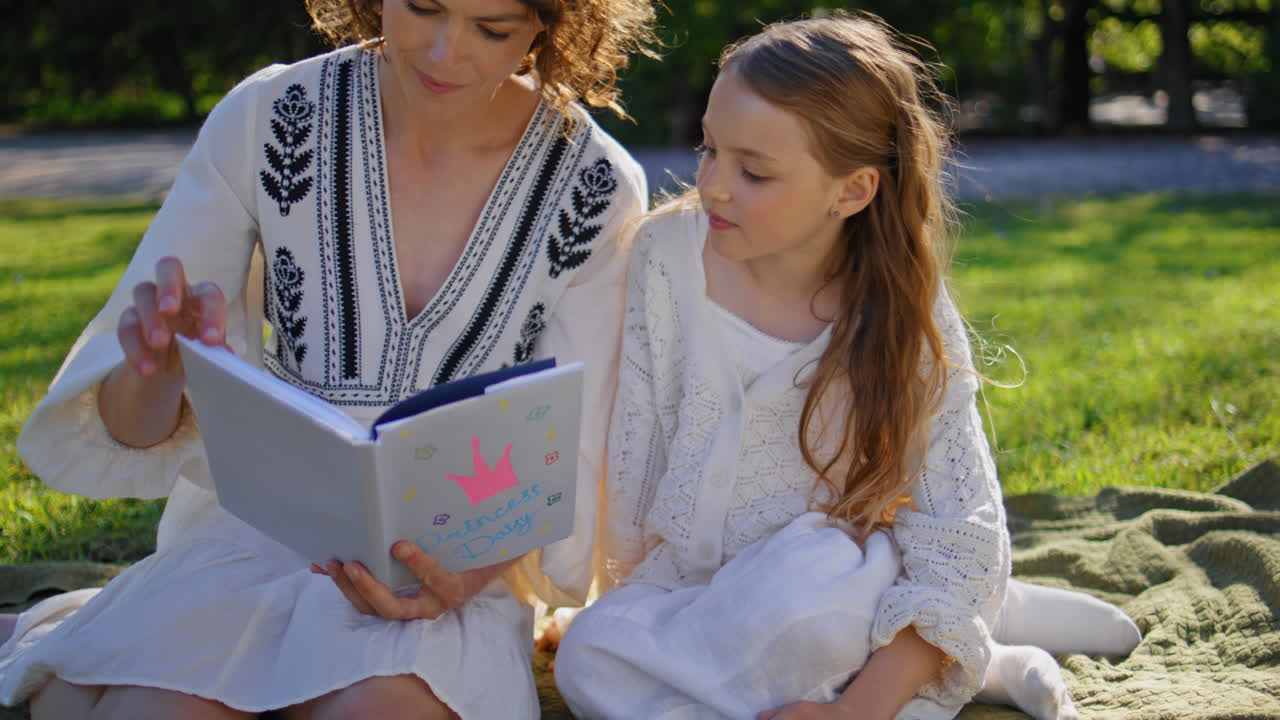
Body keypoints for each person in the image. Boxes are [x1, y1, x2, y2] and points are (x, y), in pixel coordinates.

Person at [0, 0, 656, 717]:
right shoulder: (269, 115)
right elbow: (135, 429)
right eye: (423, 7)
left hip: (450, 575)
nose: (443, 52)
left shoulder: (596, 184)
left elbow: (566, 455)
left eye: (492, 29)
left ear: (551, 24)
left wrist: (457, 581)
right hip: (252, 542)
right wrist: (155, 374)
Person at [553, 12, 1139, 720]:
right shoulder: (664, 258)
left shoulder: (897, 309)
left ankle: (954, 638)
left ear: (851, 191)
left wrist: (853, 714)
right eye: (708, 149)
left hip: (827, 584)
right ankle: (957, 641)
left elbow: (962, 525)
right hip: (691, 594)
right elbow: (636, 444)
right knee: (591, 655)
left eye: (753, 171)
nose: (712, 185)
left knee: (811, 603)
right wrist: (633, 599)